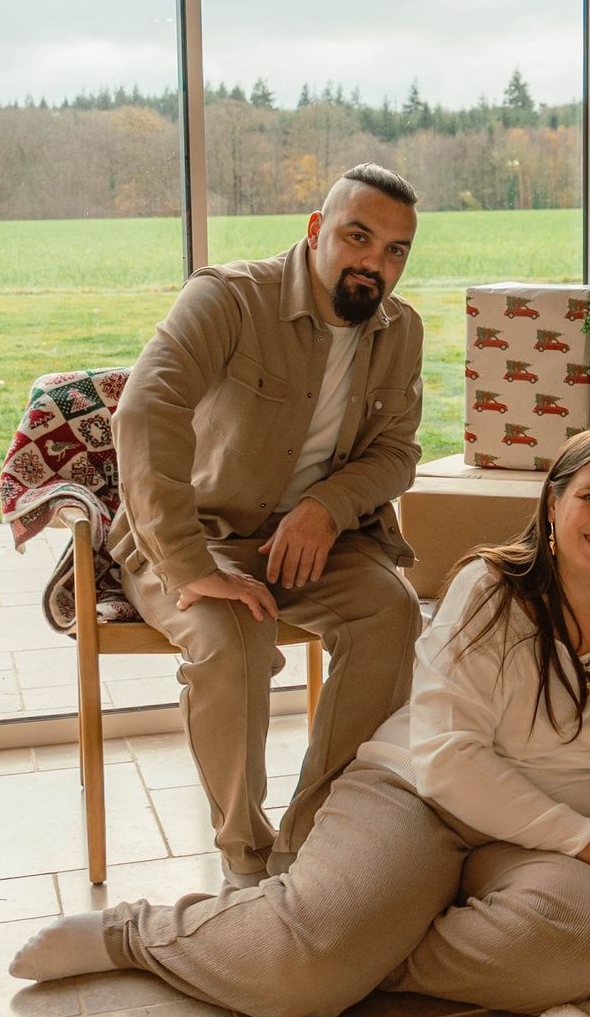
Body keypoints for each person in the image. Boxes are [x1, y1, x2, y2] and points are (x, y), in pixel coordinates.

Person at [8, 429, 590, 1017]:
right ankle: (133, 933)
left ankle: (367, 951)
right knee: (295, 979)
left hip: (543, 842)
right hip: (423, 798)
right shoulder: (490, 592)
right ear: (551, 503)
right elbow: (448, 760)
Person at [106, 163, 428, 889]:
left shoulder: (400, 331)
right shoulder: (226, 298)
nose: (375, 263)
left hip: (313, 542)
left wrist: (326, 507)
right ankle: (247, 856)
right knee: (230, 639)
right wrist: (191, 566)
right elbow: (144, 411)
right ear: (316, 230)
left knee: (392, 613)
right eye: (358, 237)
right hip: (196, 531)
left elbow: (396, 452)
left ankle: (315, 838)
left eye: (395, 250)